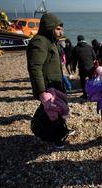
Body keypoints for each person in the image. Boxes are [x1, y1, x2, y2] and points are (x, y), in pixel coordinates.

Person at [26, 13, 75, 148]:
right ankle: (57, 138)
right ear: (49, 27)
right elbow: (35, 67)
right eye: (58, 29)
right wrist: (42, 92)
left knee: (57, 110)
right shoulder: (40, 41)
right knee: (52, 112)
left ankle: (61, 131)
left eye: (61, 29)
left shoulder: (51, 41)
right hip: (48, 87)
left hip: (55, 83)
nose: (61, 32)